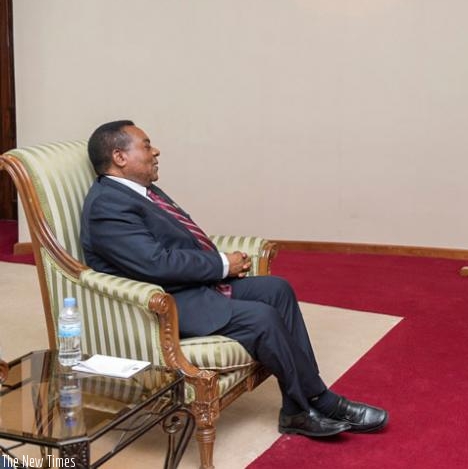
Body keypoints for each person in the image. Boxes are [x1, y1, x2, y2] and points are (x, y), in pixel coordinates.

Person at [80, 120, 388, 437]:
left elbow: (175, 244)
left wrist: (220, 264)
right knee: (261, 317)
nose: (155, 151)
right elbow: (155, 263)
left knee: (276, 289)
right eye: (146, 145)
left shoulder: (142, 191)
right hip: (165, 303)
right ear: (119, 156)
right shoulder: (108, 205)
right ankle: (313, 405)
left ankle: (304, 403)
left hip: (189, 287)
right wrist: (222, 264)